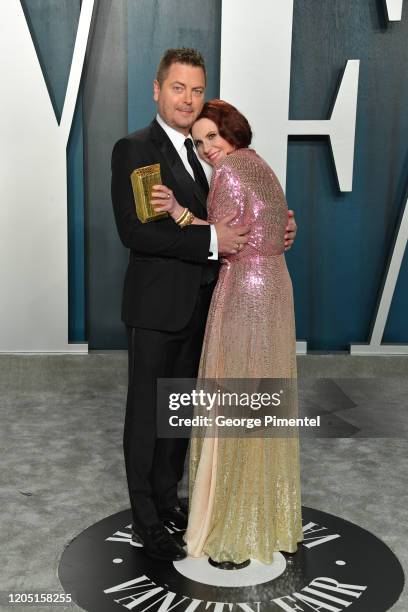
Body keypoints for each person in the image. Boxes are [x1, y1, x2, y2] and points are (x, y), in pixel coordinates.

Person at [111, 49, 298, 562]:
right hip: (155, 308)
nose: (187, 99)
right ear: (157, 89)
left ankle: (169, 501)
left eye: (196, 90)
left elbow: (240, 215)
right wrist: (214, 241)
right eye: (178, 88)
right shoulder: (135, 149)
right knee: (147, 415)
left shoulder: (207, 154)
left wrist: (274, 228)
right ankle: (146, 519)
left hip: (206, 304)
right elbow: (137, 232)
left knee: (178, 413)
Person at [152, 99, 303, 566]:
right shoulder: (260, 166)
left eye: (212, 137)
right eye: (198, 143)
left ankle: (235, 525)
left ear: (231, 131)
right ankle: (268, 519)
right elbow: (276, 226)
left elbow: (222, 238)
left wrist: (178, 210)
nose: (206, 149)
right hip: (275, 286)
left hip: (244, 293)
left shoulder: (230, 173)